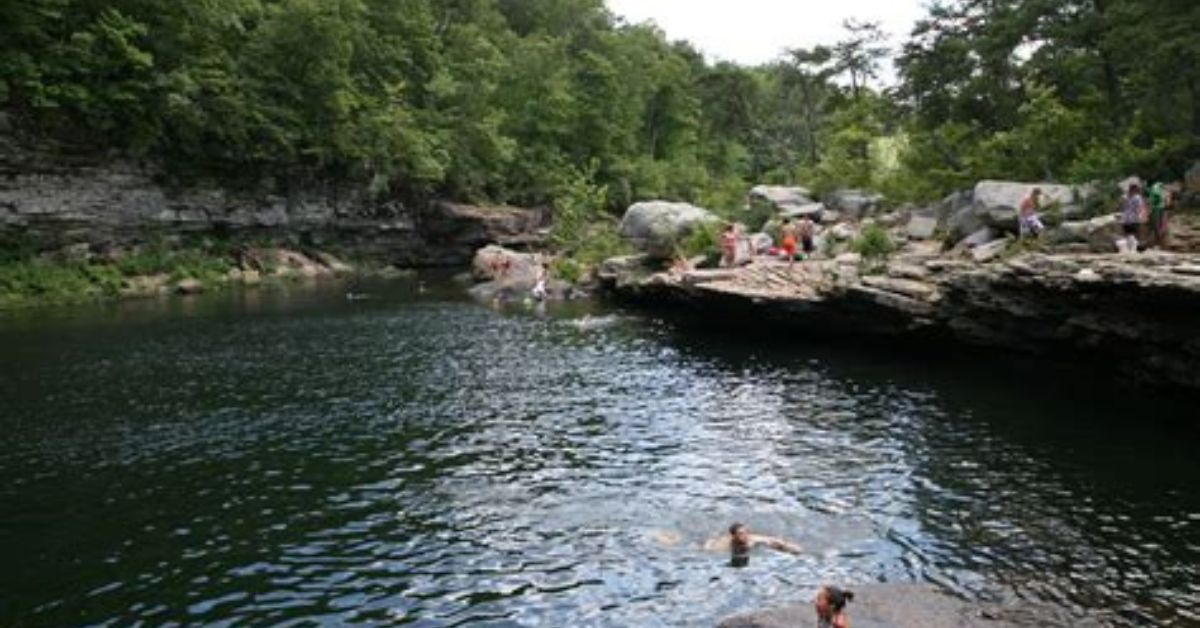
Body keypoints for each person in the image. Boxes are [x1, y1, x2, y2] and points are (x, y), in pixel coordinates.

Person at [703, 522, 802, 567]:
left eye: (745, 532)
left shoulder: (752, 540)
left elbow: (772, 541)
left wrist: (790, 548)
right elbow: (709, 547)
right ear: (733, 536)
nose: (744, 536)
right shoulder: (726, 544)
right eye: (741, 534)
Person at [1119, 183, 1147, 254]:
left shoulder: (1128, 197)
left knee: (1129, 234)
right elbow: (1139, 208)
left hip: (1127, 218)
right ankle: (1133, 249)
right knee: (1132, 234)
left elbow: (1124, 206)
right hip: (1132, 218)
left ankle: (1132, 249)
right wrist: (1141, 216)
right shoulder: (1136, 197)